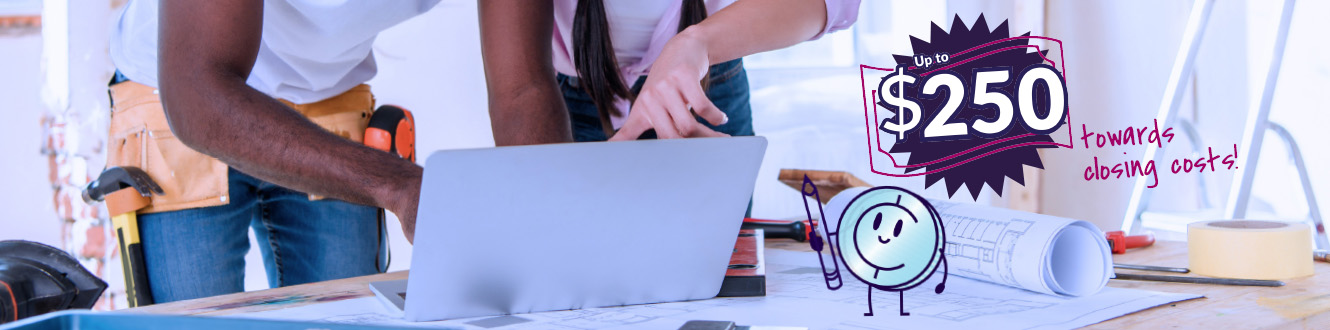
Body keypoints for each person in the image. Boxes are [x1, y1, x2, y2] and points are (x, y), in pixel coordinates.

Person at [107, 0, 435, 303]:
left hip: (328, 95)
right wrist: (397, 185)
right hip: (183, 92)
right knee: (197, 321)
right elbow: (199, 93)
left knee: (346, 319)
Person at [480, 0, 860, 145]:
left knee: (716, 292)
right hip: (568, 108)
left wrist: (699, 43)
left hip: (708, 89)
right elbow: (520, 88)